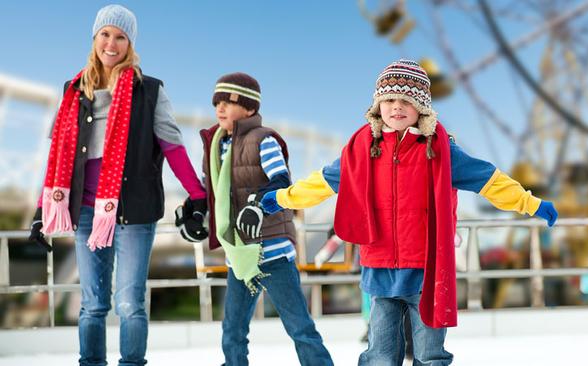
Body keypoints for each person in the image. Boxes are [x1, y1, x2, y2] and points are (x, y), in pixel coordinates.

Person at [260, 59, 558, 365]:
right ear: (378, 105)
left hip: (426, 269)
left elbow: (489, 180)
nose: (396, 107)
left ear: (421, 106)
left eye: (406, 100)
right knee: (380, 354)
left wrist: (530, 203)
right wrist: (284, 198)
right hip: (380, 265)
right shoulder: (362, 150)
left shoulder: (440, 150)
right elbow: (322, 182)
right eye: (389, 99)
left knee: (430, 353)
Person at [27, 5, 207, 365]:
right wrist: (40, 211)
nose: (112, 43)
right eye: (105, 35)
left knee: (129, 302)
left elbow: (173, 147)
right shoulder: (73, 90)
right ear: (95, 39)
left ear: (130, 43)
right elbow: (57, 155)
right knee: (92, 305)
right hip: (85, 209)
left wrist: (198, 196)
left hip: (134, 210)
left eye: (120, 37)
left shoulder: (149, 90)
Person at [197, 72, 333, 366]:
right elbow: (210, 189)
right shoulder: (216, 145)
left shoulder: (263, 140)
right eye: (216, 102)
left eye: (228, 102)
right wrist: (194, 209)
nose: (220, 108)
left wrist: (258, 204)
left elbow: (281, 180)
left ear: (248, 108)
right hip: (239, 255)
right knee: (232, 329)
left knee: (299, 327)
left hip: (272, 251)